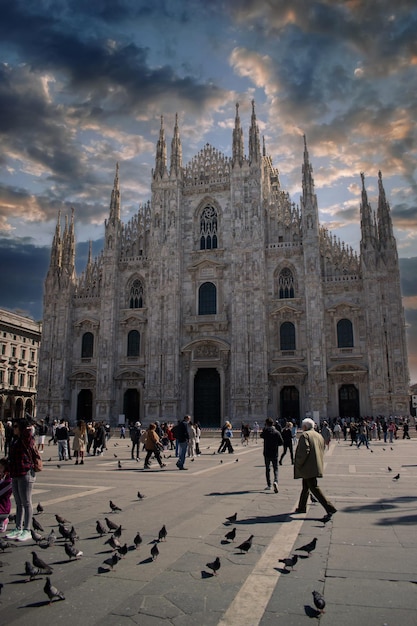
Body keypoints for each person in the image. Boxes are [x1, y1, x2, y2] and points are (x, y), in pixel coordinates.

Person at [294, 417, 337, 517]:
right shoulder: (318, 435)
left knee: (313, 487)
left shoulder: (305, 435)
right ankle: (301, 507)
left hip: (308, 466)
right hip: (315, 464)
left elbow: (304, 451)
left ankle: (330, 508)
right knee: (306, 486)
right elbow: (323, 448)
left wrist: (298, 463)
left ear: (305, 426)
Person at [6, 418, 37, 541]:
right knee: (18, 502)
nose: (13, 428)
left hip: (26, 473)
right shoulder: (15, 440)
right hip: (16, 473)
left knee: (26, 502)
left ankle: (27, 529)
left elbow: (29, 440)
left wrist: (27, 429)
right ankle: (18, 528)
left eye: (15, 426)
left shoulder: (27, 439)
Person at [260, 418, 283, 492]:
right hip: (274, 453)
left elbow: (261, 435)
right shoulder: (277, 432)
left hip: (266, 453)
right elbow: (281, 442)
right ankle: (276, 481)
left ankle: (269, 485)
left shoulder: (266, 432)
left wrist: (265, 428)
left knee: (267, 469)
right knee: (275, 469)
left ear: (266, 424)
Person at [0, 457, 12, 533]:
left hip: (3, 510)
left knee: (1, 529)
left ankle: (4, 520)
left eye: (1, 467)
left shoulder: (9, 481)